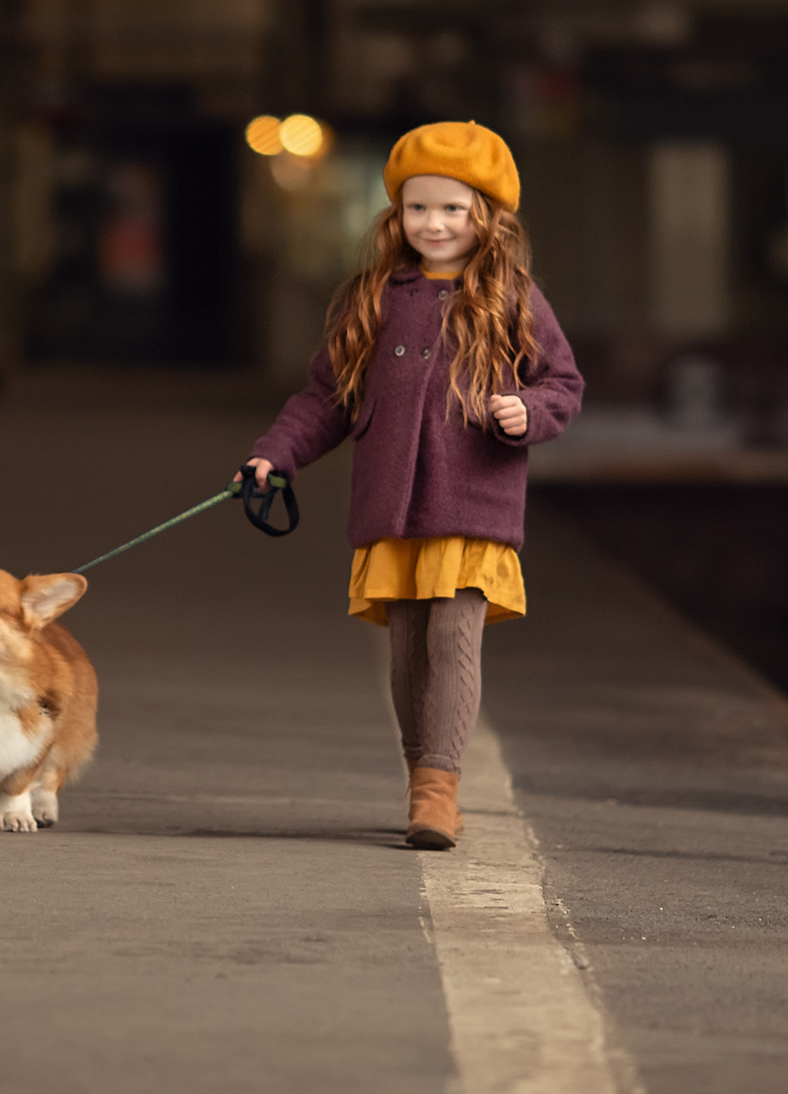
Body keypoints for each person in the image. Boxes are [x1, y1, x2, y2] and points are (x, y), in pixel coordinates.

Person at [242, 121, 583, 849]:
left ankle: (438, 790)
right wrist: (276, 456)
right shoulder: (371, 297)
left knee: (453, 640)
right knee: (407, 656)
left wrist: (529, 411)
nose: (433, 223)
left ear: (486, 217)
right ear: (395, 214)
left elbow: (564, 383)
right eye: (417, 207)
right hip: (391, 509)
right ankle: (418, 775)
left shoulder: (513, 298)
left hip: (472, 506)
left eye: (452, 208)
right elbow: (325, 398)